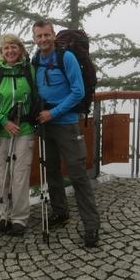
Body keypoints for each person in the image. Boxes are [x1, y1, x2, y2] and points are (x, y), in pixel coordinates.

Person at [32, 20, 100, 248]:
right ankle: (61, 213)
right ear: (34, 39)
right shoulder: (36, 60)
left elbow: (78, 91)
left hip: (66, 123)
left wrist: (54, 112)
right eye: (39, 36)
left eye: (46, 35)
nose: (43, 40)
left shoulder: (66, 57)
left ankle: (91, 226)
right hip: (45, 124)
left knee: (78, 174)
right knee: (51, 170)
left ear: (53, 35)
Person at [0, 34, 36, 237]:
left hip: (25, 130)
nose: (10, 51)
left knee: (20, 174)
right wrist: (4, 120)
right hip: (1, 132)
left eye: (13, 47)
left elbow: (36, 96)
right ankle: (4, 215)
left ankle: (19, 219)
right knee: (3, 174)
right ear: (1, 51)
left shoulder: (28, 70)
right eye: (6, 48)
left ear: (20, 49)